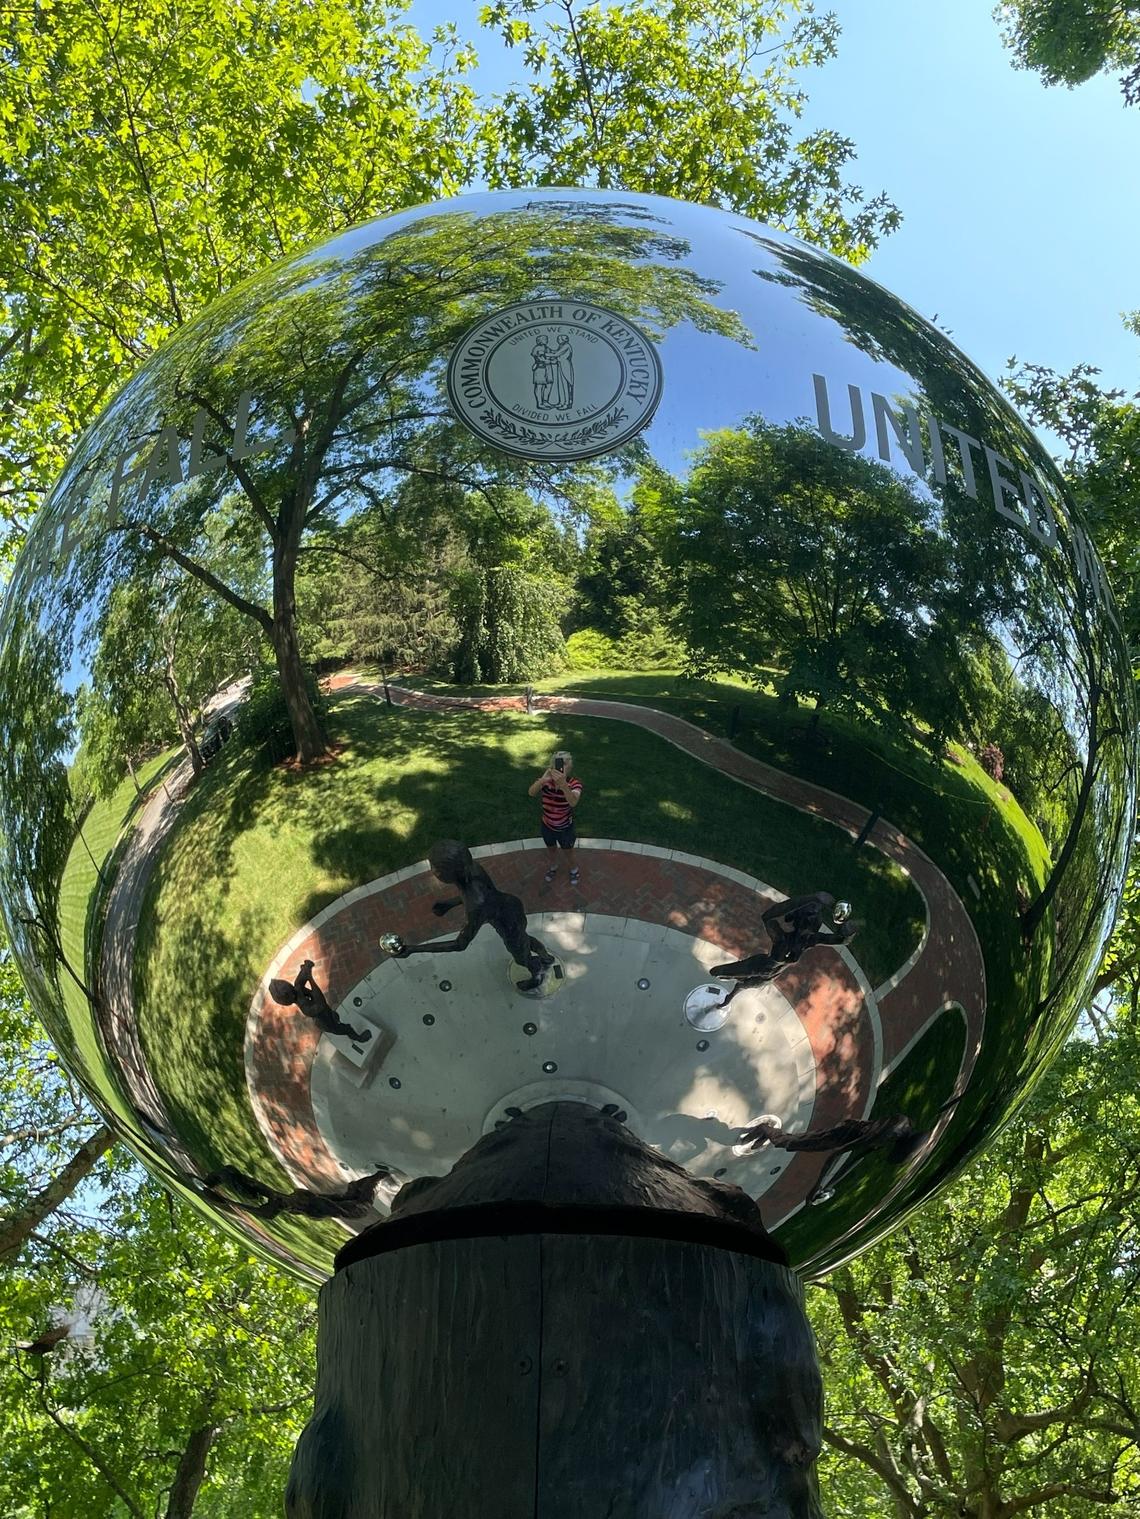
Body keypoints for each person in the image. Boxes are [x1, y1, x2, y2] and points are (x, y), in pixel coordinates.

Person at [390, 840, 555, 992]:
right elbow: (470, 894)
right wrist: (449, 904)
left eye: (436, 868)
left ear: (451, 873)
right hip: (511, 904)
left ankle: (537, 974)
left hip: (507, 922)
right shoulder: (471, 867)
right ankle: (546, 956)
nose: (432, 871)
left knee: (521, 956)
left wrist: (413, 949)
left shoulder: (477, 905)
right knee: (523, 938)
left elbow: (460, 944)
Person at [709, 892, 856, 1005]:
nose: (811, 926)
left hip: (769, 977)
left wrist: (847, 930)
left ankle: (728, 998)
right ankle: (728, 996)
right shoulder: (782, 938)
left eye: (813, 922)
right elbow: (768, 917)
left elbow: (840, 939)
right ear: (799, 921)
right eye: (809, 920)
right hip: (758, 966)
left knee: (741, 985)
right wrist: (812, 898)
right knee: (720, 972)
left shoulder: (810, 940)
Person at [201, 1164, 391, 1220]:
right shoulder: (316, 1206)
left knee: (354, 1190)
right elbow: (258, 1209)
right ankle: (379, 1176)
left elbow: (259, 1198)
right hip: (351, 1207)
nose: (293, 1202)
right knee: (359, 1193)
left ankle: (378, 1176)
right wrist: (226, 1202)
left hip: (344, 1204)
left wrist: (226, 1201)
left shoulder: (278, 1201)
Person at [268, 959, 371, 1043]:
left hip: (327, 1012)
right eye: (285, 985)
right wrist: (310, 979)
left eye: (284, 983)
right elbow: (321, 1001)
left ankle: (336, 1019)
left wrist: (306, 969)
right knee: (346, 1029)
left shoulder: (297, 987)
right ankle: (360, 1039)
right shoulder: (306, 1008)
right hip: (326, 1023)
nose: (288, 984)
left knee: (336, 1017)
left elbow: (305, 971)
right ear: (288, 996)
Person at [527, 749, 583, 885]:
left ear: (570, 766)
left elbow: (573, 802)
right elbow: (531, 793)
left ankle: (574, 869)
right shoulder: (546, 782)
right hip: (547, 826)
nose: (562, 766)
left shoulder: (575, 784)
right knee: (551, 850)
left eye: (565, 763)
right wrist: (542, 780)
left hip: (565, 829)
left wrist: (563, 785)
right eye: (559, 763)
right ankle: (553, 867)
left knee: (568, 852)